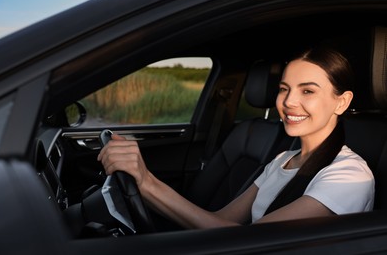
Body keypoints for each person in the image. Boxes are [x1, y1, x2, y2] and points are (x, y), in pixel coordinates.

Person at [98, 47, 375, 229]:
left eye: (307, 91)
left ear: (341, 102)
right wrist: (144, 185)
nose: (289, 101)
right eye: (283, 89)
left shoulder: (349, 175)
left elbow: (253, 241)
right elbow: (220, 222)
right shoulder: (282, 159)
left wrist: (147, 182)